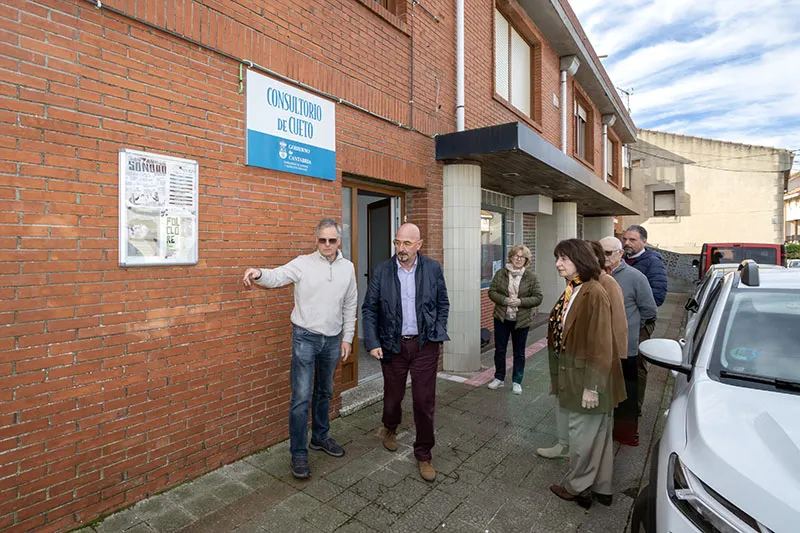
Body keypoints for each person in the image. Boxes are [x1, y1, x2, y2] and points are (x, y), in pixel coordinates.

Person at [242, 218, 357, 480]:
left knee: (325, 391)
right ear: (316, 240)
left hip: (332, 340)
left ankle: (320, 437)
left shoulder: (348, 268)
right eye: (322, 240)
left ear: (339, 241)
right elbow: (278, 276)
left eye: (332, 240)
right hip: (305, 338)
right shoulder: (303, 263)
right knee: (301, 397)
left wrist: (348, 338)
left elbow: (350, 304)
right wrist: (259, 273)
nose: (327, 245)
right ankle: (298, 452)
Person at [361, 223, 449, 483]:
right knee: (393, 397)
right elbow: (369, 308)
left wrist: (437, 330)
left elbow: (443, 303)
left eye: (407, 243)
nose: (401, 248)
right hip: (392, 345)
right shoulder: (382, 270)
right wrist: (373, 342)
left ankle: (424, 453)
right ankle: (390, 427)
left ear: (419, 245)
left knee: (424, 401)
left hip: (424, 346)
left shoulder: (432, 269)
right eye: (397, 242)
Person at [546, 239, 625, 509]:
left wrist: (592, 387)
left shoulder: (593, 292)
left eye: (564, 259)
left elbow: (601, 343)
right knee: (598, 436)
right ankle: (602, 488)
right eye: (557, 258)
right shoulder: (575, 289)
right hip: (576, 375)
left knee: (581, 437)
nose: (557, 264)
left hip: (587, 380)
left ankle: (577, 487)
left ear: (580, 261)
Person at [601, 236, 657, 446]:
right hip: (601, 345)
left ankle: (626, 433)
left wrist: (631, 327)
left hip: (626, 347)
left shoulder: (635, 277)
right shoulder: (595, 276)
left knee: (626, 391)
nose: (604, 257)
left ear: (620, 254)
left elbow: (649, 310)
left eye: (608, 253)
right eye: (600, 252)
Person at [486, 245, 543, 394]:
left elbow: (538, 297)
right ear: (510, 257)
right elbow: (492, 292)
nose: (518, 259)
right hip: (502, 318)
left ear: (526, 260)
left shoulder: (531, 277)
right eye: (516, 256)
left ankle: (517, 381)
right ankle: (499, 378)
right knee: (500, 350)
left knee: (519, 352)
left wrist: (520, 302)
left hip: (521, 320)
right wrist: (504, 300)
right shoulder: (501, 274)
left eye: (522, 257)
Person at [622, 225, 666, 415]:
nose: (627, 243)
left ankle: (635, 406)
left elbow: (657, 297)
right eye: (625, 239)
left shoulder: (652, 262)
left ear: (644, 241)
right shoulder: (622, 260)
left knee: (637, 364)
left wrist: (636, 320)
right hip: (621, 323)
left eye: (632, 240)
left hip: (641, 324)